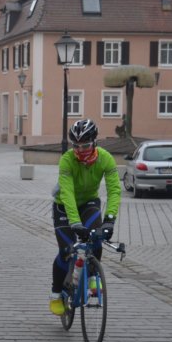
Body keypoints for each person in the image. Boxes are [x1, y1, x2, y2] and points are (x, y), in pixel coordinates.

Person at [49, 119, 121, 315]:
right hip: (64, 206)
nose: (81, 150)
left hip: (89, 202)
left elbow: (114, 190)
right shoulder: (67, 160)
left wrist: (110, 219)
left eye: (86, 145)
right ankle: (56, 294)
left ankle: (92, 278)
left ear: (95, 142)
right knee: (66, 250)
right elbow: (67, 193)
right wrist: (75, 223)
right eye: (76, 146)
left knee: (96, 238)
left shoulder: (105, 158)